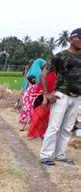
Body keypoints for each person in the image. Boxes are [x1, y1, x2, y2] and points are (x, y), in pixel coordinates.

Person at [40, 28, 81, 166]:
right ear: (71, 38)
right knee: (54, 126)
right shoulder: (60, 56)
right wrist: (47, 93)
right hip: (61, 95)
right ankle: (46, 155)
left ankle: (61, 155)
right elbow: (44, 73)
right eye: (80, 38)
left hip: (77, 97)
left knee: (67, 128)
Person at [27, 71, 56, 139]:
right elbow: (45, 87)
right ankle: (32, 134)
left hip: (49, 99)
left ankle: (42, 133)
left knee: (45, 118)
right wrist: (44, 99)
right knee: (37, 117)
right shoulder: (50, 74)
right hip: (41, 99)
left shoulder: (56, 74)